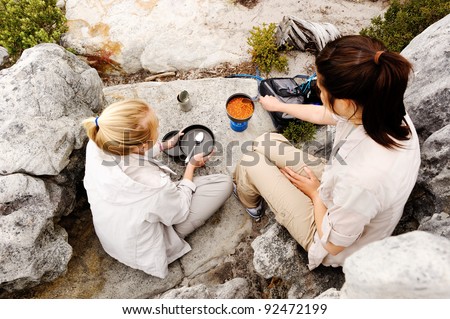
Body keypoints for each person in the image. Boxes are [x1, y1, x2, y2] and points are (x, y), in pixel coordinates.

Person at [233, 35, 421, 270]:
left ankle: (252, 205)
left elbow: (333, 244)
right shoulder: (381, 107)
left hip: (328, 235)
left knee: (250, 162)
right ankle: (261, 185)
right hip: (340, 189)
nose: (317, 92)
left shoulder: (364, 179)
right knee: (265, 140)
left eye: (321, 89)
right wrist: (280, 106)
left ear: (348, 102)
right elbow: (325, 114)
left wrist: (315, 196)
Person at [82, 99, 232, 278]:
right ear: (143, 145)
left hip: (116, 233)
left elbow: (129, 154)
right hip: (145, 247)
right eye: (156, 127)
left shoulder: (100, 140)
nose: (158, 127)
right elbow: (180, 210)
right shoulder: (154, 185)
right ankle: (172, 238)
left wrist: (164, 145)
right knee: (223, 183)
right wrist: (191, 167)